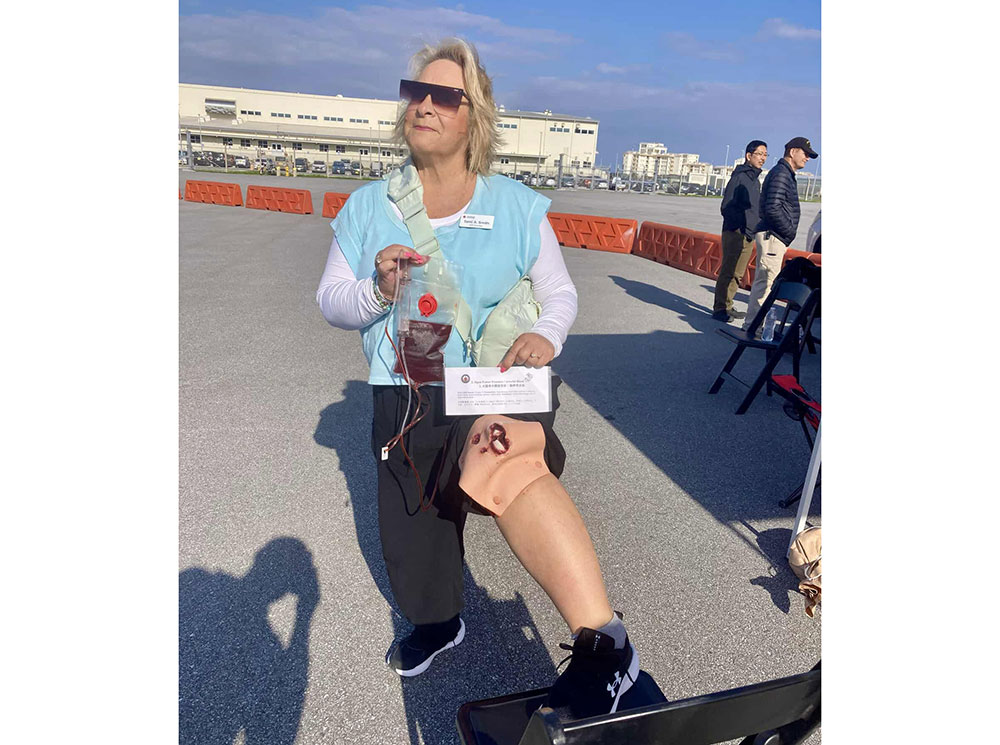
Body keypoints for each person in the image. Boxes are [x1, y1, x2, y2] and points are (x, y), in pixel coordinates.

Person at [316, 38, 638, 720]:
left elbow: (561, 297)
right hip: (406, 388)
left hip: (496, 379)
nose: (424, 105)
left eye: (444, 95)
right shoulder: (368, 206)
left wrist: (544, 336)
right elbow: (331, 300)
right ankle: (438, 620)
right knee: (415, 519)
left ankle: (605, 641)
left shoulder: (518, 207)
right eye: (416, 92)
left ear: (474, 118)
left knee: (506, 458)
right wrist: (376, 291)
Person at [742, 136, 819, 331]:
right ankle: (754, 327)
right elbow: (773, 208)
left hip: (774, 235)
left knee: (765, 281)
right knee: (766, 283)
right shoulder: (781, 174)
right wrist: (787, 231)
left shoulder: (784, 173)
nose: (807, 158)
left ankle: (753, 325)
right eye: (805, 154)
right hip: (773, 236)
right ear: (793, 152)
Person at [712, 140, 767, 322]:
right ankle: (720, 308)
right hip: (736, 232)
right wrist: (739, 227)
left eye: (765, 155)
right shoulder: (740, 177)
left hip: (748, 233)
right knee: (728, 271)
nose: (763, 158)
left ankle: (728, 305)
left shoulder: (754, 179)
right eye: (759, 154)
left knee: (738, 274)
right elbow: (726, 206)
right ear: (748, 156)